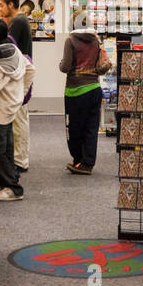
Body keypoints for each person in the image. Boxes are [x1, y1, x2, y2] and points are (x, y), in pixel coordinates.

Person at [0, 18, 33, 201]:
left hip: (0, 108)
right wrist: (22, 93)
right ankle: (8, 181)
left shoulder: (0, 53)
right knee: (8, 147)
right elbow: (30, 68)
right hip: (12, 105)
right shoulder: (13, 48)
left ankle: (12, 188)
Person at [58, 10, 110, 174]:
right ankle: (88, 163)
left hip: (75, 90)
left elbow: (65, 67)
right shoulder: (96, 40)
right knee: (91, 127)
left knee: (74, 127)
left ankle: (78, 160)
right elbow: (100, 68)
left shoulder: (70, 40)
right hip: (94, 88)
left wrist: (60, 63)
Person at [0, 0, 32, 172]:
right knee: (19, 117)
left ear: (11, 5)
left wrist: (0, 21)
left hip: (19, 74)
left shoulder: (17, 21)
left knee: (19, 119)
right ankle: (19, 158)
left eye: (2, 5)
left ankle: (20, 161)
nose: (0, 9)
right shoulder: (20, 20)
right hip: (20, 72)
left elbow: (6, 46)